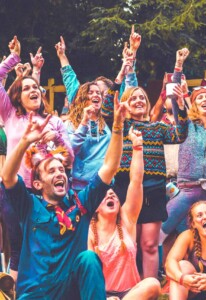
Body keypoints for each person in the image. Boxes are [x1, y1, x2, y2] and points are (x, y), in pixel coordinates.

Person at [0, 91, 127, 299]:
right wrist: (24, 142)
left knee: (88, 258)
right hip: (35, 293)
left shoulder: (81, 202)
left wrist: (118, 127)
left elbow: (109, 167)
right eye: (51, 171)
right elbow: (7, 177)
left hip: (68, 290)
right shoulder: (29, 205)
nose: (60, 173)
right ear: (38, 183)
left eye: (61, 170)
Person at [102, 49, 189, 279]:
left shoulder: (157, 128)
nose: (139, 100)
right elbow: (105, 109)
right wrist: (120, 75)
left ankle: (150, 287)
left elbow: (180, 134)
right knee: (128, 242)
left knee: (149, 244)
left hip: (153, 190)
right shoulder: (120, 125)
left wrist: (180, 106)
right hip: (125, 187)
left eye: (142, 97)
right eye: (133, 98)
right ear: (126, 105)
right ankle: (130, 285)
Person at [0, 36, 74, 281]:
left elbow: (70, 158)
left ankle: (47, 288)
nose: (33, 90)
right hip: (14, 189)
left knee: (44, 242)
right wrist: (13, 59)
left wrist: (59, 140)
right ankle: (17, 292)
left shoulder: (53, 121)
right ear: (17, 96)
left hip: (45, 192)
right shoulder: (10, 115)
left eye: (36, 88)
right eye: (26, 88)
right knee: (19, 243)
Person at [89, 127, 161, 299]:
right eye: (105, 193)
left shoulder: (127, 220)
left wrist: (137, 148)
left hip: (131, 294)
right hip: (102, 295)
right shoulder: (89, 229)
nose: (111, 193)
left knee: (153, 284)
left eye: (113, 192)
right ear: (95, 206)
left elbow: (136, 181)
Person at [161, 85, 206, 238]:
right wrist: (178, 66)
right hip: (187, 189)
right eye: (200, 97)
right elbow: (175, 106)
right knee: (163, 229)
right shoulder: (186, 125)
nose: (205, 99)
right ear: (194, 104)